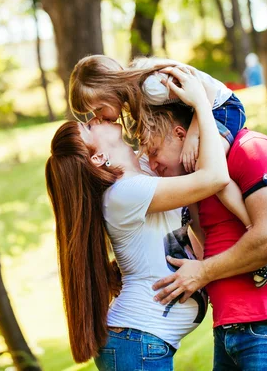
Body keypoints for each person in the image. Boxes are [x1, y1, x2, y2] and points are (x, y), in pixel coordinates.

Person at [46, 67, 230, 369]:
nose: (93, 118)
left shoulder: (145, 169)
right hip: (137, 341)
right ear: (96, 158)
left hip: (139, 342)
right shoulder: (125, 193)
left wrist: (195, 116)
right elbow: (214, 177)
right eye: (87, 127)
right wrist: (200, 105)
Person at [69, 54, 267, 288]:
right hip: (201, 116)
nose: (99, 117)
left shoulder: (150, 87)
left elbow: (204, 94)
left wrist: (194, 135)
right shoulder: (136, 99)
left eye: (98, 108)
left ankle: (253, 230)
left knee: (207, 167)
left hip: (222, 109)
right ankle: (205, 256)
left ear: (108, 85)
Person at [141, 103, 267, 370]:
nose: (152, 164)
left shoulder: (253, 150)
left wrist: (202, 272)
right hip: (227, 328)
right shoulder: (201, 182)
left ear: (180, 135)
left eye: (154, 152)